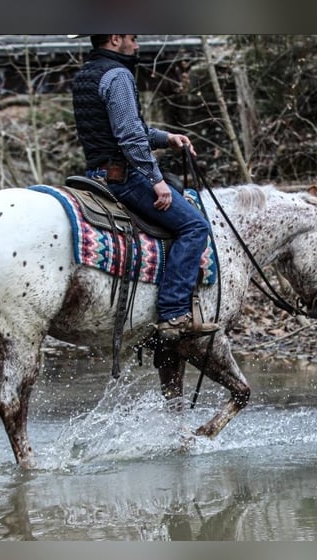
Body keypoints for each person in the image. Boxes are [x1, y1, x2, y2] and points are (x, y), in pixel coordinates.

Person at [71, 34, 218, 339]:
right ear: (115, 39)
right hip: (122, 177)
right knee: (194, 227)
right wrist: (157, 181)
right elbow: (129, 137)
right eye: (133, 38)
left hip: (94, 174)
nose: (136, 46)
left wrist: (167, 139)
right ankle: (174, 313)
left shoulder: (86, 74)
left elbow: (124, 129)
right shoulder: (117, 74)